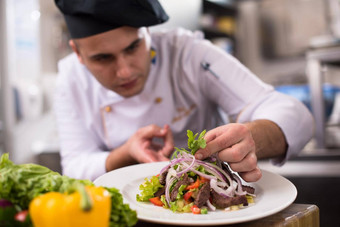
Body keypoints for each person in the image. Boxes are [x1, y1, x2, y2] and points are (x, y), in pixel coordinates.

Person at [53, 0, 314, 182]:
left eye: (132, 48)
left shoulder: (187, 54)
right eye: (103, 58)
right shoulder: (70, 80)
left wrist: (251, 138)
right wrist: (124, 154)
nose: (124, 71)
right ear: (77, 52)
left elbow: (296, 115)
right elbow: (74, 168)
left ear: (147, 33)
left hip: (207, 209)